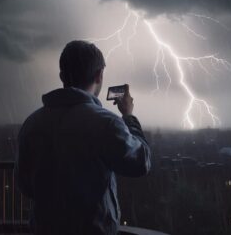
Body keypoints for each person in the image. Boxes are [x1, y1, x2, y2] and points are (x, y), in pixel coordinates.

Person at [16, 40, 151, 235]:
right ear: (99, 75)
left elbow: (25, 186)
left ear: (62, 76)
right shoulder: (106, 123)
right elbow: (141, 162)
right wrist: (128, 117)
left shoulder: (31, 123)